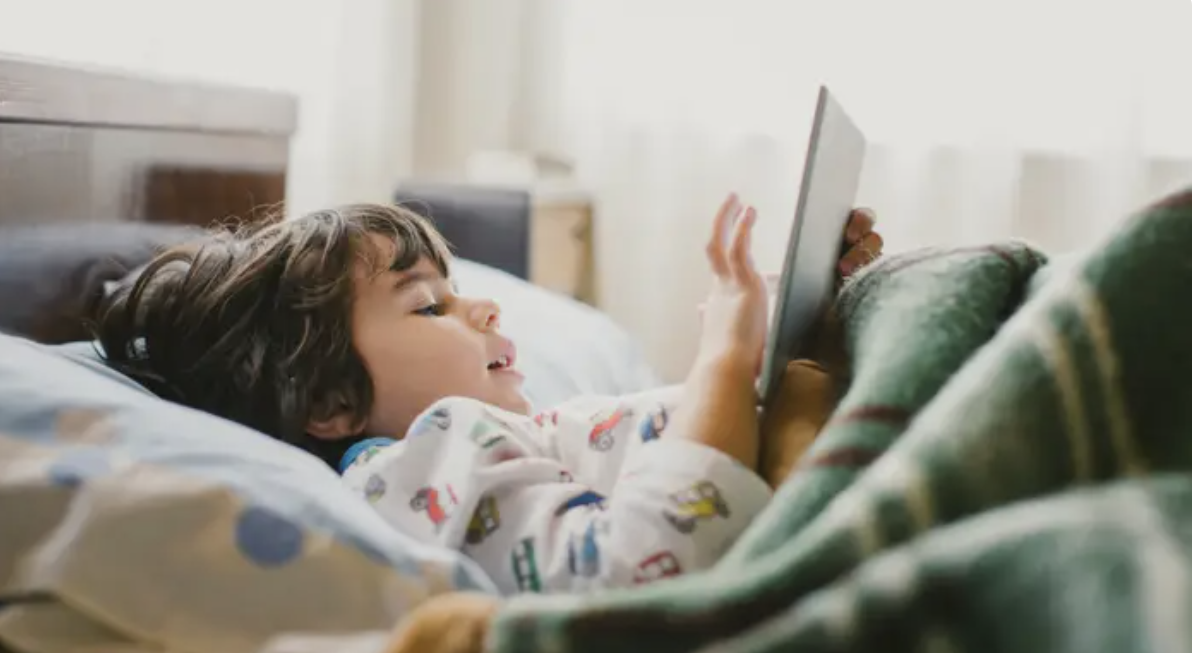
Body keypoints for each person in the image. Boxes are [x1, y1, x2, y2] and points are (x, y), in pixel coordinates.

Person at [95, 195, 881, 595]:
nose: (485, 310)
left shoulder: (518, 430)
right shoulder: (419, 464)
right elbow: (645, 568)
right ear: (331, 403)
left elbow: (669, 441)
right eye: (428, 306)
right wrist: (724, 354)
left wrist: (796, 322)